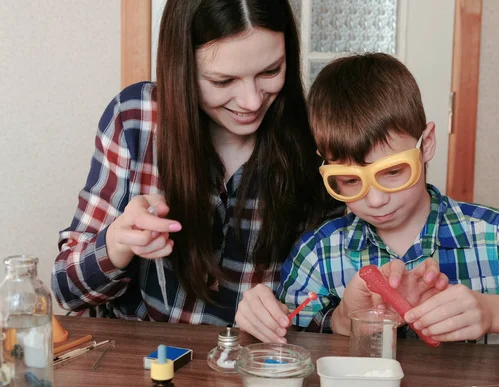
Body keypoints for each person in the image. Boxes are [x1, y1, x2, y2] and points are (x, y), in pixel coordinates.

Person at [245, 52, 499, 345]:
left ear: (426, 145)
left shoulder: (494, 235)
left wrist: (493, 312)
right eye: (349, 181)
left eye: (393, 172)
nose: (376, 199)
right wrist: (343, 319)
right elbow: (286, 342)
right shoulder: (319, 252)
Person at [51, 0, 340, 327]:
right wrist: (118, 242)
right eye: (223, 81)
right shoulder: (137, 119)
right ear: (182, 68)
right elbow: (65, 291)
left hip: (250, 365)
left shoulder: (316, 141)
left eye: (270, 71)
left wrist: (296, 314)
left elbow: (327, 309)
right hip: (144, 362)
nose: (252, 101)